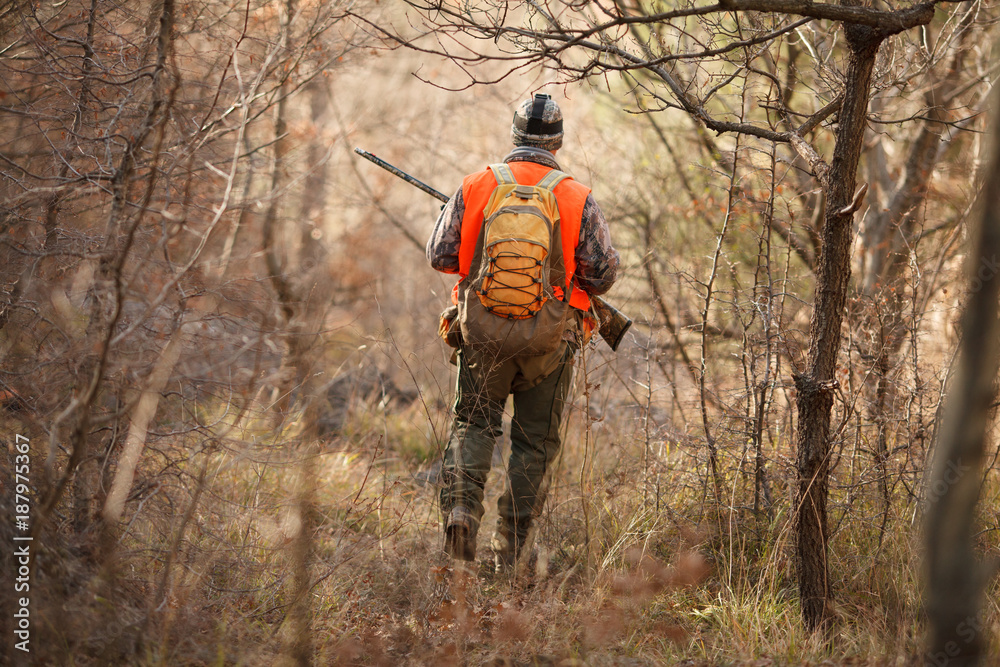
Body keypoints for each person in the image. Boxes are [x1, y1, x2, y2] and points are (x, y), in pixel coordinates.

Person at [426, 93, 620, 572]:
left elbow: (440, 255)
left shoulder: (477, 185)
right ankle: (510, 552)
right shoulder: (576, 196)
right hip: (548, 346)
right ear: (556, 142)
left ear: (514, 136)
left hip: (481, 338)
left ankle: (461, 512)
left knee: (473, 425)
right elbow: (601, 274)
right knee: (533, 444)